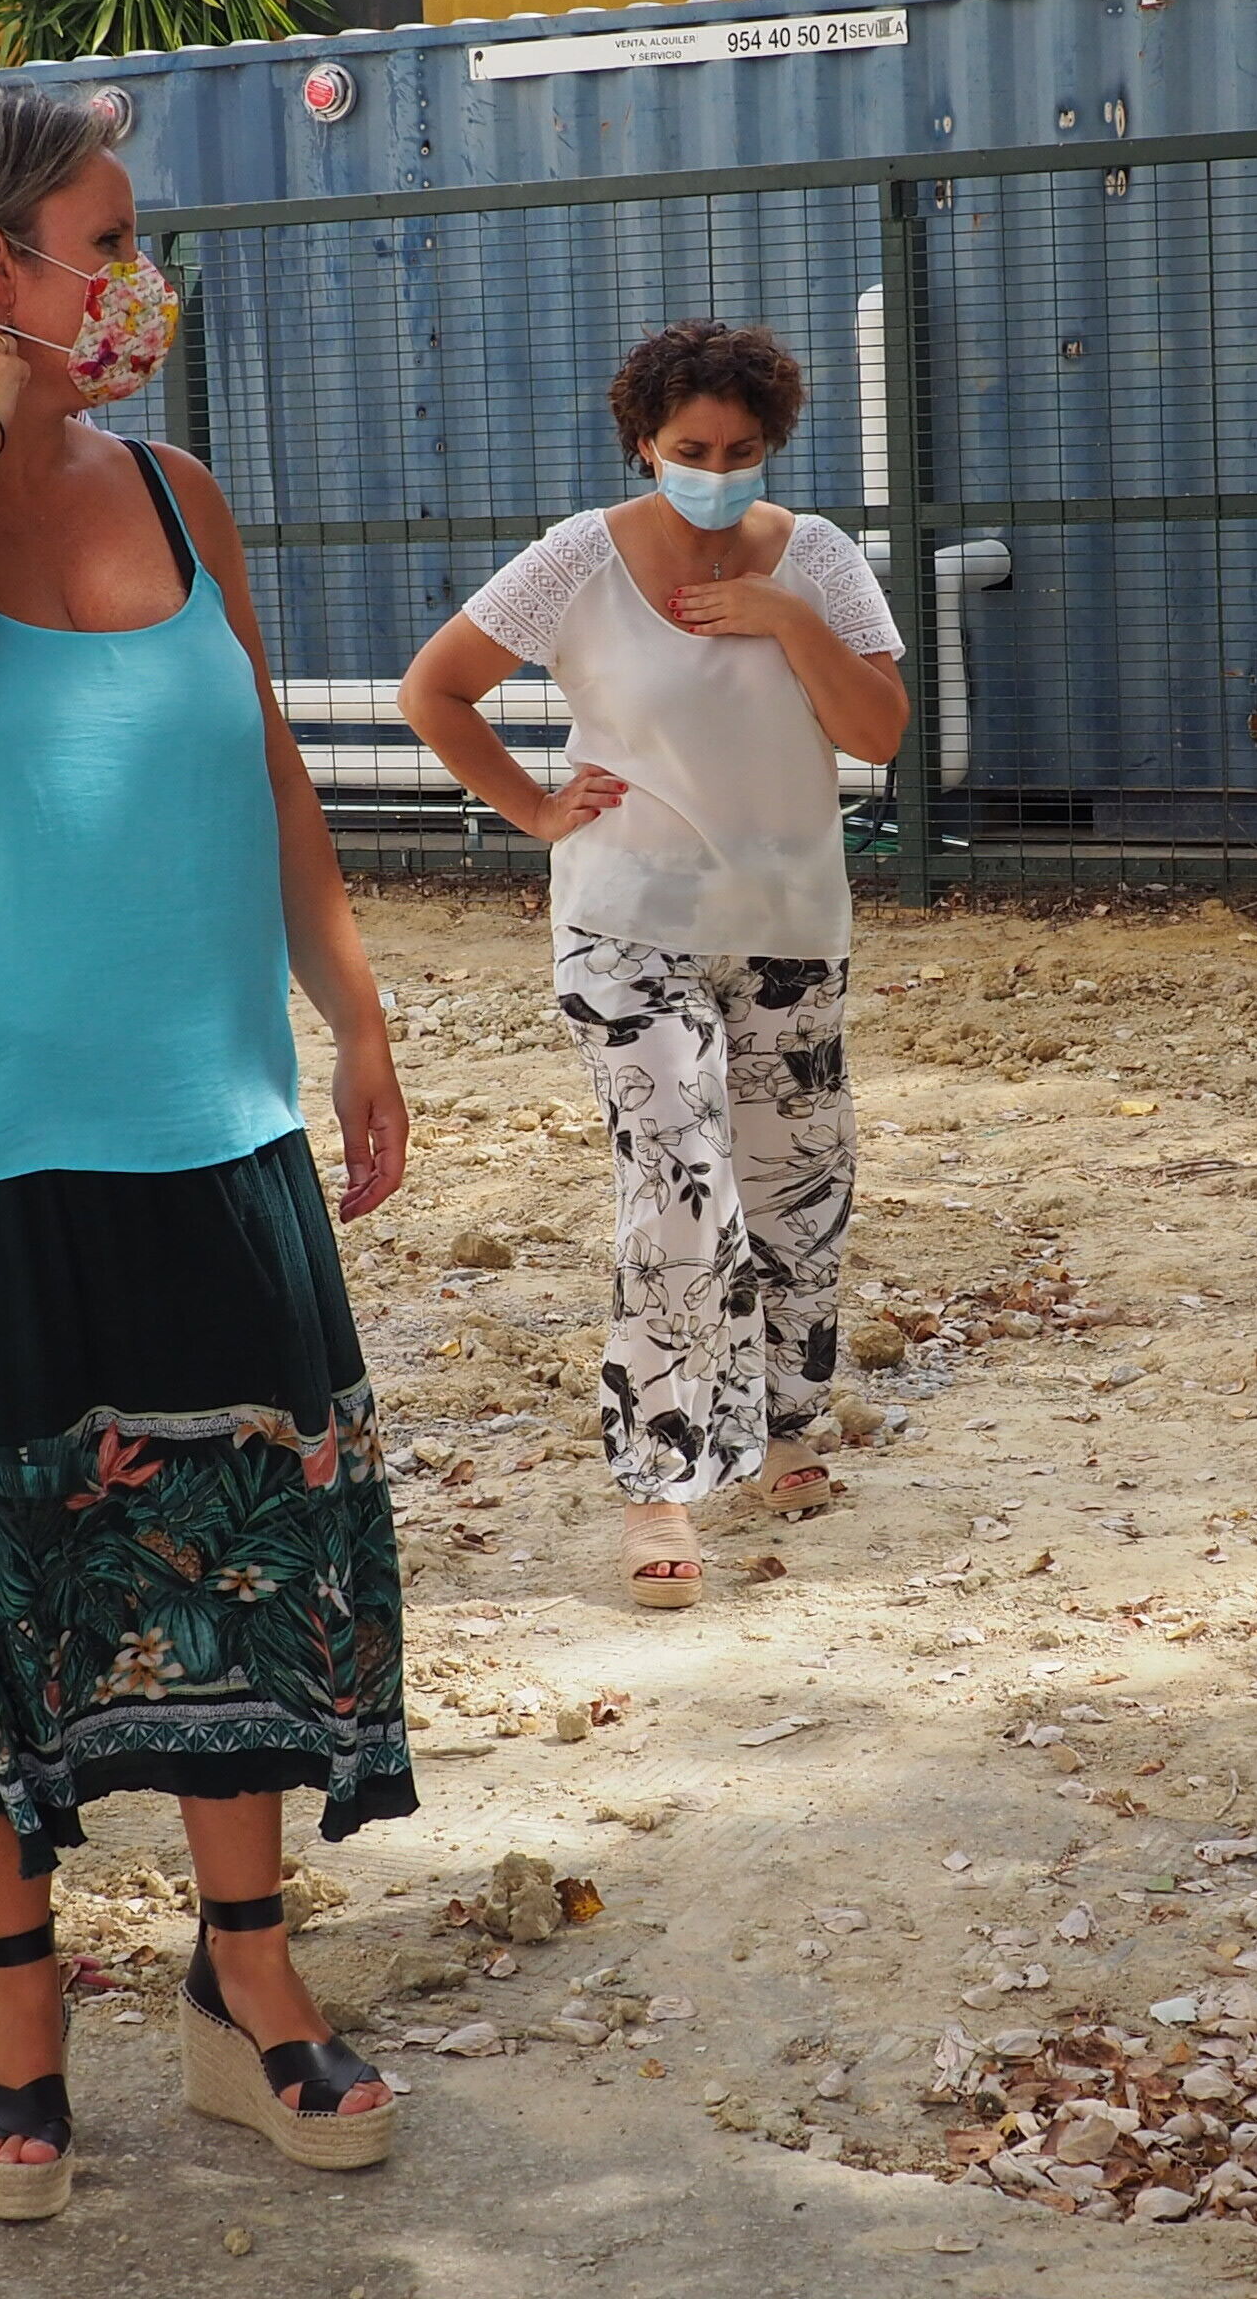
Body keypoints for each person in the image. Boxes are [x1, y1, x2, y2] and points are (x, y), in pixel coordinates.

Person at [0, 81, 418, 2220]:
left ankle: (248, 1988)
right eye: (101, 241)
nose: (138, 283)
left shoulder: (182, 495)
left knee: (243, 1544)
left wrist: (359, 1018)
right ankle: (21, 1998)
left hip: (202, 1120)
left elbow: (267, 787)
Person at [396, 321, 908, 1613]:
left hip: (789, 924)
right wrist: (529, 806)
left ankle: (786, 1423)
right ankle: (660, 1479)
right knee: (681, 1188)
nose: (716, 471)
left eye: (741, 452)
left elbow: (880, 733)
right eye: (691, 450)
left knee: (797, 1188)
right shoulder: (576, 557)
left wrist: (788, 619)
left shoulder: (823, 559)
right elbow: (435, 691)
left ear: (770, 446)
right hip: (626, 922)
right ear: (645, 441)